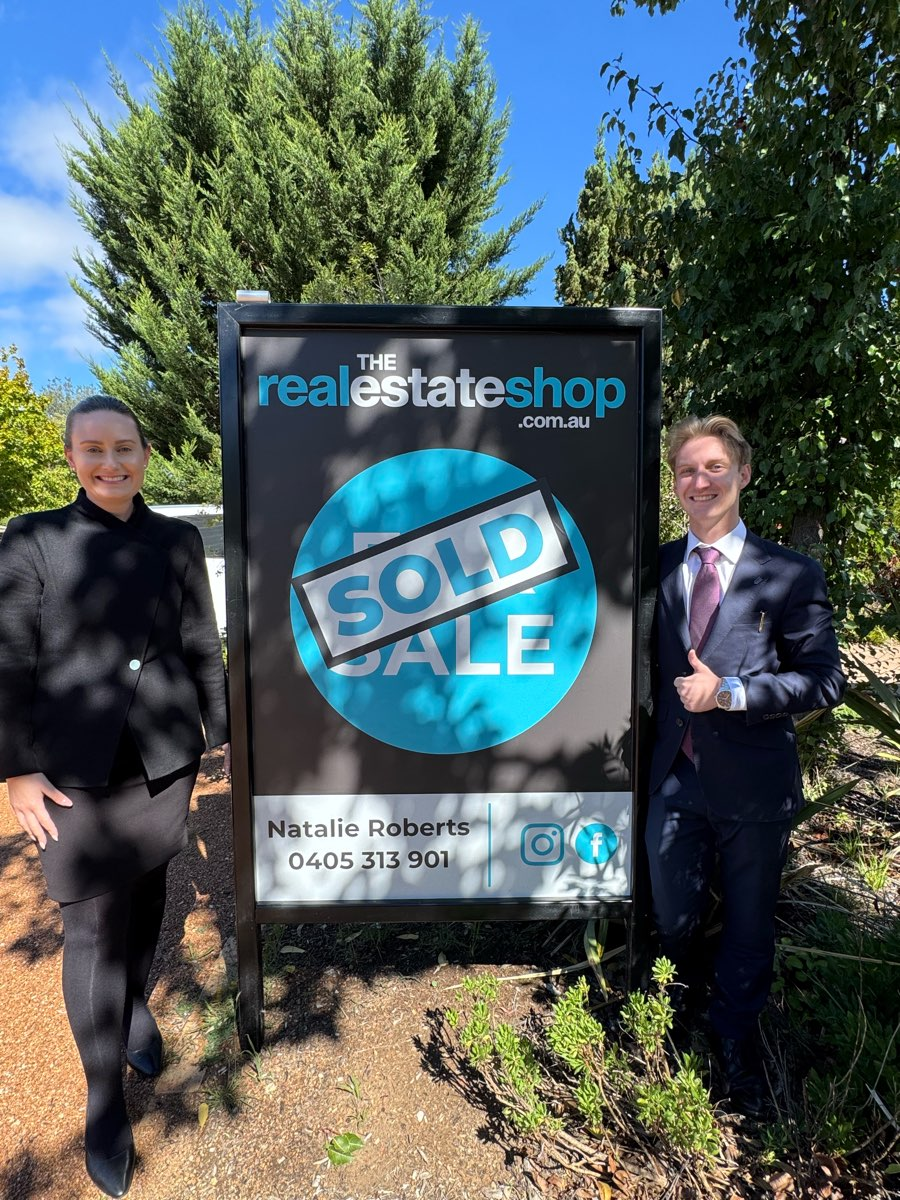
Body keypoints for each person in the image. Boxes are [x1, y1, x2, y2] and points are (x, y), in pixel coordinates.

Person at [0, 395, 228, 1197]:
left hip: (163, 760)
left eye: (123, 447)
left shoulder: (178, 539)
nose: (110, 462)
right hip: (70, 774)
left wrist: (223, 731)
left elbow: (200, 642)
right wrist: (15, 769)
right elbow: (8, 657)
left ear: (145, 454)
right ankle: (104, 1103)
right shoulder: (33, 537)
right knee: (92, 927)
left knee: (153, 889)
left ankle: (133, 1007)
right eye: (93, 449)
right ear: (72, 458)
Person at [648, 414, 845, 1117]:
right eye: (687, 470)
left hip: (755, 784)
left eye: (714, 468)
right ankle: (669, 1027)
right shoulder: (655, 568)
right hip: (672, 781)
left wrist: (732, 692)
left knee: (750, 926)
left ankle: (735, 1046)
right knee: (672, 917)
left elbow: (824, 680)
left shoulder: (789, 573)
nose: (699, 481)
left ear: (744, 474)